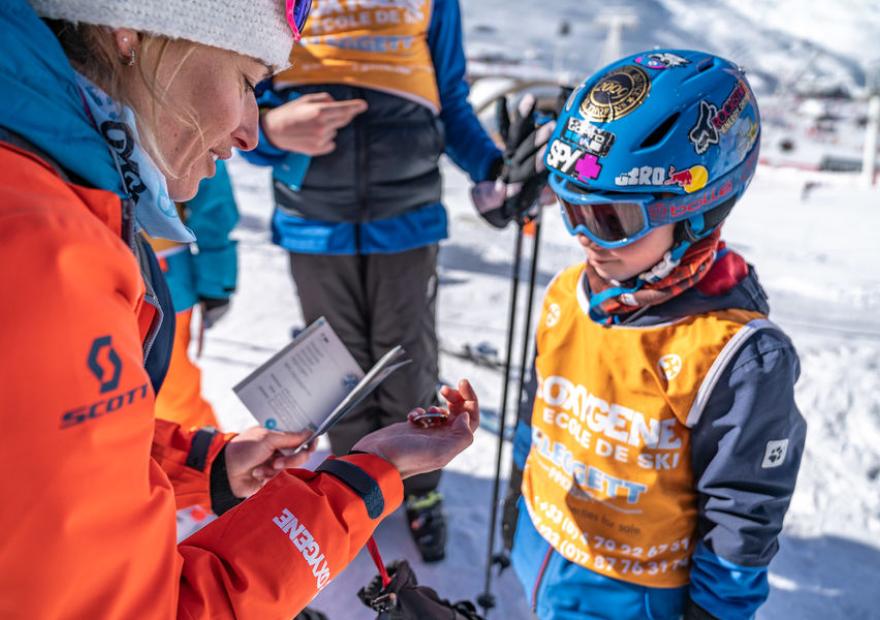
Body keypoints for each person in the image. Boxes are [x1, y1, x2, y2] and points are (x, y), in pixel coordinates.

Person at [0, 1, 480, 617]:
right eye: (249, 81)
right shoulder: (44, 252)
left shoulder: (46, 197)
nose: (250, 131)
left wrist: (208, 466)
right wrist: (362, 479)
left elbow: (50, 460)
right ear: (135, 32)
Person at [502, 50, 807, 619]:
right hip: (544, 556)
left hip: (635, 600)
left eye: (613, 219)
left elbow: (744, 511)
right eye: (572, 207)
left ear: (696, 212)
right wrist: (521, 498)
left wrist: (715, 612)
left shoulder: (732, 356)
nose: (585, 236)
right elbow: (537, 409)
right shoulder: (568, 294)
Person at [241, 0, 548, 562]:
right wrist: (270, 128)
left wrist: (495, 171)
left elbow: (449, 101)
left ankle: (422, 493)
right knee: (337, 373)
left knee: (407, 359)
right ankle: (354, 487)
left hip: (406, 218)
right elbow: (233, 92)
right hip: (312, 221)